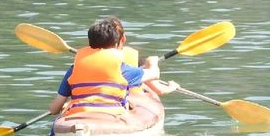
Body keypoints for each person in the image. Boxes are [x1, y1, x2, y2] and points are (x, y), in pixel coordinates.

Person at [48, 17, 177, 116]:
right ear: (119, 42)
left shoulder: (74, 69)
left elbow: (54, 109)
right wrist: (152, 62)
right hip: (111, 116)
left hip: (79, 115)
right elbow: (155, 74)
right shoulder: (123, 70)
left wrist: (66, 105)